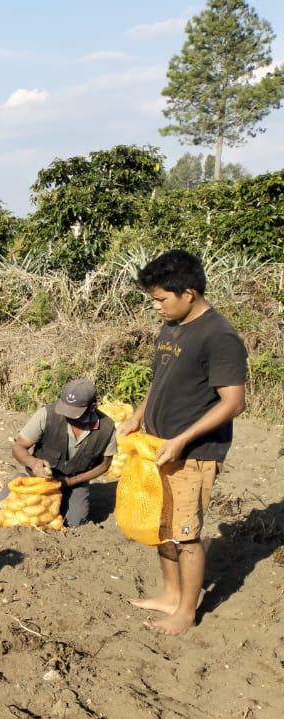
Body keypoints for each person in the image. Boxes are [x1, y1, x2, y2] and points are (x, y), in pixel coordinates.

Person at [117, 250, 247, 635]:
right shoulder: (172, 326)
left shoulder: (219, 336)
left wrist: (181, 439)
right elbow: (161, 381)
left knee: (185, 534)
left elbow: (233, 402)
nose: (156, 306)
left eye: (161, 299)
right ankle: (171, 594)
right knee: (163, 525)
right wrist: (138, 416)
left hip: (193, 453)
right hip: (158, 445)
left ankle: (186, 612)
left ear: (188, 292)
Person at [0, 378, 117, 528]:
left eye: (75, 412)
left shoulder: (106, 427)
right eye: (66, 408)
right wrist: (33, 463)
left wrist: (70, 482)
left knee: (76, 523)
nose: (68, 415)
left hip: (74, 482)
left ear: (92, 407)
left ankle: (64, 502)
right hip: (35, 476)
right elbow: (18, 447)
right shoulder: (47, 414)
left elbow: (105, 464)